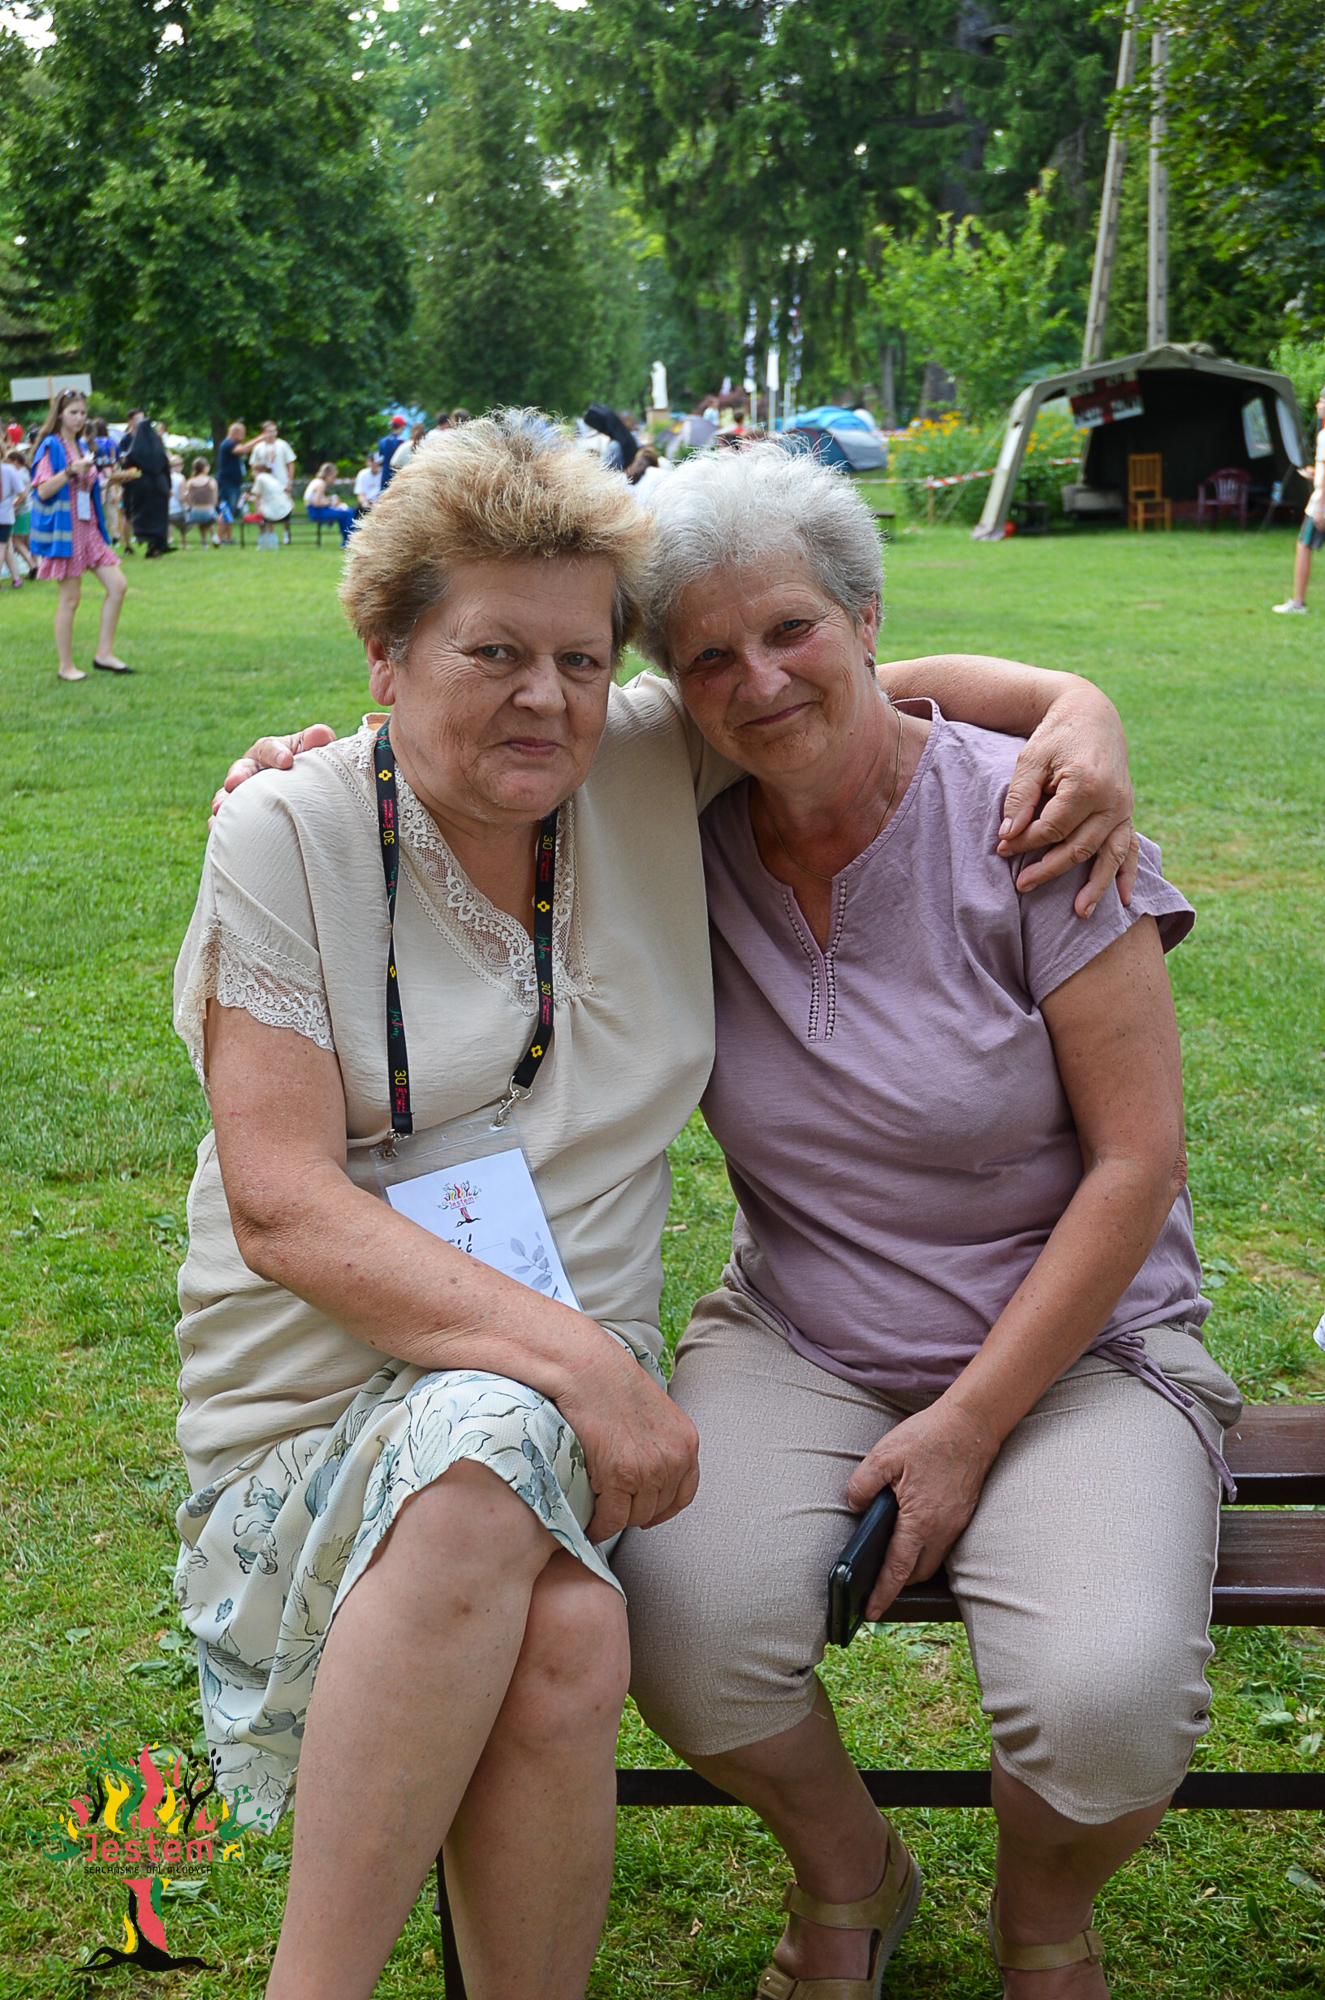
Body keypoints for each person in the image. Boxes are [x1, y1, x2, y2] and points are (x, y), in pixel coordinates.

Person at [200, 419, 1136, 2000]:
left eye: (580, 658)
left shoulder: (640, 761)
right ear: (384, 654)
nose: (543, 698)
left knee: (563, 1613)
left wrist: (1077, 711)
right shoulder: (288, 831)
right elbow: (281, 1206)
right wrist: (582, 1371)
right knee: (495, 1458)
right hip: (334, 1369)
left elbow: (849, 680)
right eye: (490, 652)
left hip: (576, 1387)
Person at [617, 444, 1240, 2000]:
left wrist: (964, 1428)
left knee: (1103, 1705)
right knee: (680, 1634)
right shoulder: (672, 834)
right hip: (804, 1333)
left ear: (867, 620)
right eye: (708, 656)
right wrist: (303, 770)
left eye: (791, 630)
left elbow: (1137, 1162)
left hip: (1085, 1349)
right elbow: (477, 742)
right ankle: (853, 1873)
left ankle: (1043, 1917)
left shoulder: (1034, 815)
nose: (758, 682)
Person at [29, 388, 131, 678]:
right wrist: (70, 471)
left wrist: (112, 481)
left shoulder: (84, 445)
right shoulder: (51, 445)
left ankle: (104, 654)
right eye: (73, 412)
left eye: (83, 413)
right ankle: (66, 666)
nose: (79, 418)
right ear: (60, 414)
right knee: (71, 599)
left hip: (89, 529)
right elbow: (43, 490)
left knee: (118, 586)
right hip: (66, 531)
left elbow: (87, 488)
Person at [1273, 380, 1325, 612]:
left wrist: (1320, 506)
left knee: (1304, 545)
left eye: (1322, 400)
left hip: (1321, 503)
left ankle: (1298, 603)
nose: (1318, 404)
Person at [119, 408, 173, 557]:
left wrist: (125, 485)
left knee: (144, 515)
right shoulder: (159, 450)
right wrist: (168, 486)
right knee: (159, 516)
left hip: (142, 485)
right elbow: (166, 468)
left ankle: (147, 540)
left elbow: (127, 468)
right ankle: (157, 544)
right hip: (160, 485)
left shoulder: (135, 450)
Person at [216, 422, 255, 545]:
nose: (243, 437)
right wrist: (260, 438)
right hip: (227, 484)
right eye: (242, 434)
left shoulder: (231, 444)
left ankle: (229, 537)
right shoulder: (228, 444)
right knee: (225, 510)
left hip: (233, 483)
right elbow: (244, 449)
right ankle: (220, 538)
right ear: (235, 432)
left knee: (231, 510)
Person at [303, 462, 354, 546]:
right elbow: (317, 503)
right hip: (317, 512)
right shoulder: (321, 484)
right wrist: (331, 502)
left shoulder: (316, 481)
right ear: (328, 475)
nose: (334, 479)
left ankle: (348, 539)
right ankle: (348, 539)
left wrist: (329, 499)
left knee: (346, 512)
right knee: (348, 513)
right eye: (333, 477)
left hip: (315, 510)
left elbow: (317, 499)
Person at [1, 449, 27, 588]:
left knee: (7, 545)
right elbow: (22, 493)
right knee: (2, 546)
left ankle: (16, 577)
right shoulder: (8, 470)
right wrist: (13, 505)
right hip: (4, 515)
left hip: (5, 514)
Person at [6, 448, 33, 582]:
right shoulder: (25, 472)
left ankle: (33, 566)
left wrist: (12, 506)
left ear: (15, 461)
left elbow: (22, 495)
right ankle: (35, 565)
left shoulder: (18, 474)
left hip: (22, 511)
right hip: (29, 509)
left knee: (16, 542)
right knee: (27, 541)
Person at [250, 463, 293, 545]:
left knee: (261, 517)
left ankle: (266, 537)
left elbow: (257, 498)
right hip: (287, 509)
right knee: (265, 511)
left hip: (277, 512)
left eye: (253, 471)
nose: (252, 474)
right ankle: (281, 536)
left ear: (259, 471)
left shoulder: (260, 477)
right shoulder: (272, 478)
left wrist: (258, 511)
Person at [182, 457, 220, 547]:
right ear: (205, 468)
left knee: (201, 521)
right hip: (209, 512)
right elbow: (215, 500)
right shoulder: (211, 481)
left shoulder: (190, 482)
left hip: (195, 512)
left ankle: (204, 543)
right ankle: (214, 536)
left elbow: (186, 498)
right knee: (211, 516)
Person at [375, 411, 409, 489]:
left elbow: (379, 460)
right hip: (398, 476)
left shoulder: (383, 441)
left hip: (385, 476)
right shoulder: (402, 442)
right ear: (402, 426)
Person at [352, 449, 381, 517]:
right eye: (372, 460)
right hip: (367, 502)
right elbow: (360, 493)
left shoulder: (384, 474)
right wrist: (365, 503)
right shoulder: (362, 474)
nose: (374, 463)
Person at [169, 455, 188, 543]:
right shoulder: (181, 478)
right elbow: (182, 496)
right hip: (178, 509)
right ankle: (183, 542)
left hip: (166, 509)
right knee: (183, 520)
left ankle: (169, 537)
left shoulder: (165, 476)